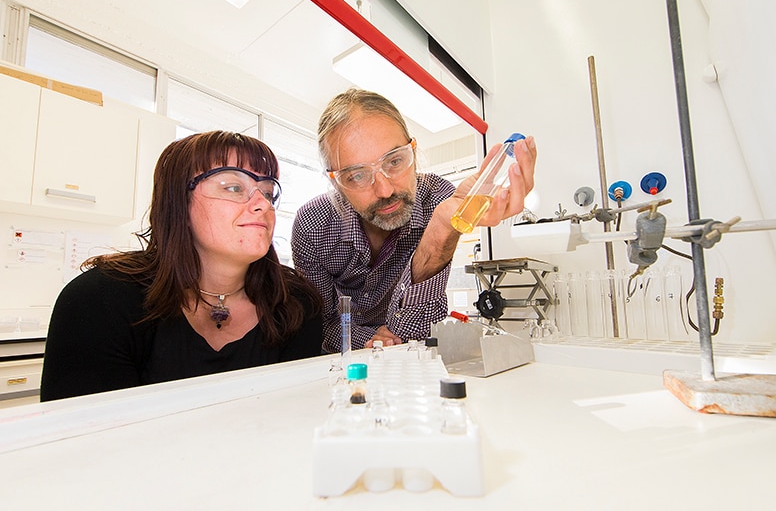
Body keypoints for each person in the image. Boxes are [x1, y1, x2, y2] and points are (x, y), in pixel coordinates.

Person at [40, 131, 323, 401]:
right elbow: (80, 439)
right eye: (234, 187)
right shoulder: (99, 300)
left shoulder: (296, 304)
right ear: (178, 202)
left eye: (268, 192)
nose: (262, 204)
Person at [292, 88, 536, 353]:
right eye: (357, 176)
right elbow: (320, 324)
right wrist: (369, 339)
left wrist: (441, 231)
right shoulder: (312, 224)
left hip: (412, 357)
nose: (385, 191)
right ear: (335, 182)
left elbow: (420, 326)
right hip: (343, 363)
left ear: (414, 152)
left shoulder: (440, 201)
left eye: (395, 161)